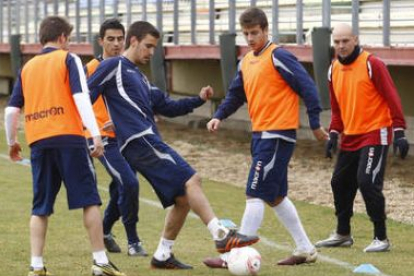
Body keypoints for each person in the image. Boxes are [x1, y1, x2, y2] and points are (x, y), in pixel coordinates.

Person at [87, 20, 259, 270]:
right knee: (192, 180)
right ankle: (221, 235)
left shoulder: (139, 78)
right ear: (133, 41)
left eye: (154, 47)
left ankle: (163, 255)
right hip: (141, 140)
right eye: (148, 46)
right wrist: (92, 131)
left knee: (182, 199)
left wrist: (198, 100)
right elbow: (85, 95)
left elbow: (168, 106)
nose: (151, 52)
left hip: (144, 140)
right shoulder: (113, 65)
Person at [204, 7, 328, 267]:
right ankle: (306, 249)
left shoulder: (279, 56)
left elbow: (308, 87)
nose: (250, 39)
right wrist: (219, 115)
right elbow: (236, 94)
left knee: (254, 191)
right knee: (275, 196)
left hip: (278, 136)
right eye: (246, 34)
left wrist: (315, 123)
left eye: (255, 33)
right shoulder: (246, 61)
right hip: (260, 134)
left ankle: (231, 257)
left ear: (266, 30)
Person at [4, 16, 125, 276]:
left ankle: (36, 266)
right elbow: (81, 97)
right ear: (62, 38)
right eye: (68, 39)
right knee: (89, 200)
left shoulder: (27, 68)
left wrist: (12, 142)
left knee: (40, 207)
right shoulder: (68, 59)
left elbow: (11, 110)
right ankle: (100, 262)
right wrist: (94, 133)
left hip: (38, 140)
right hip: (69, 138)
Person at [315, 23, 409, 252]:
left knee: (367, 181)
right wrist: (334, 134)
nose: (341, 45)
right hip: (351, 135)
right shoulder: (333, 69)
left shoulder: (371, 64)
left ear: (355, 39)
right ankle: (343, 233)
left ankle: (381, 238)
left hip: (376, 132)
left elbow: (392, 96)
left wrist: (399, 131)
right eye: (337, 42)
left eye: (345, 41)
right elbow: (337, 109)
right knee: (338, 182)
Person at [85, 18, 148, 257]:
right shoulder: (91, 67)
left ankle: (104, 231)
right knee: (129, 183)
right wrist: (93, 131)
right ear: (101, 41)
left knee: (119, 187)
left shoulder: (128, 67)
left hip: (125, 137)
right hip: (102, 139)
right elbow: (81, 103)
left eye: (120, 39)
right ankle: (133, 241)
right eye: (110, 39)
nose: (116, 44)